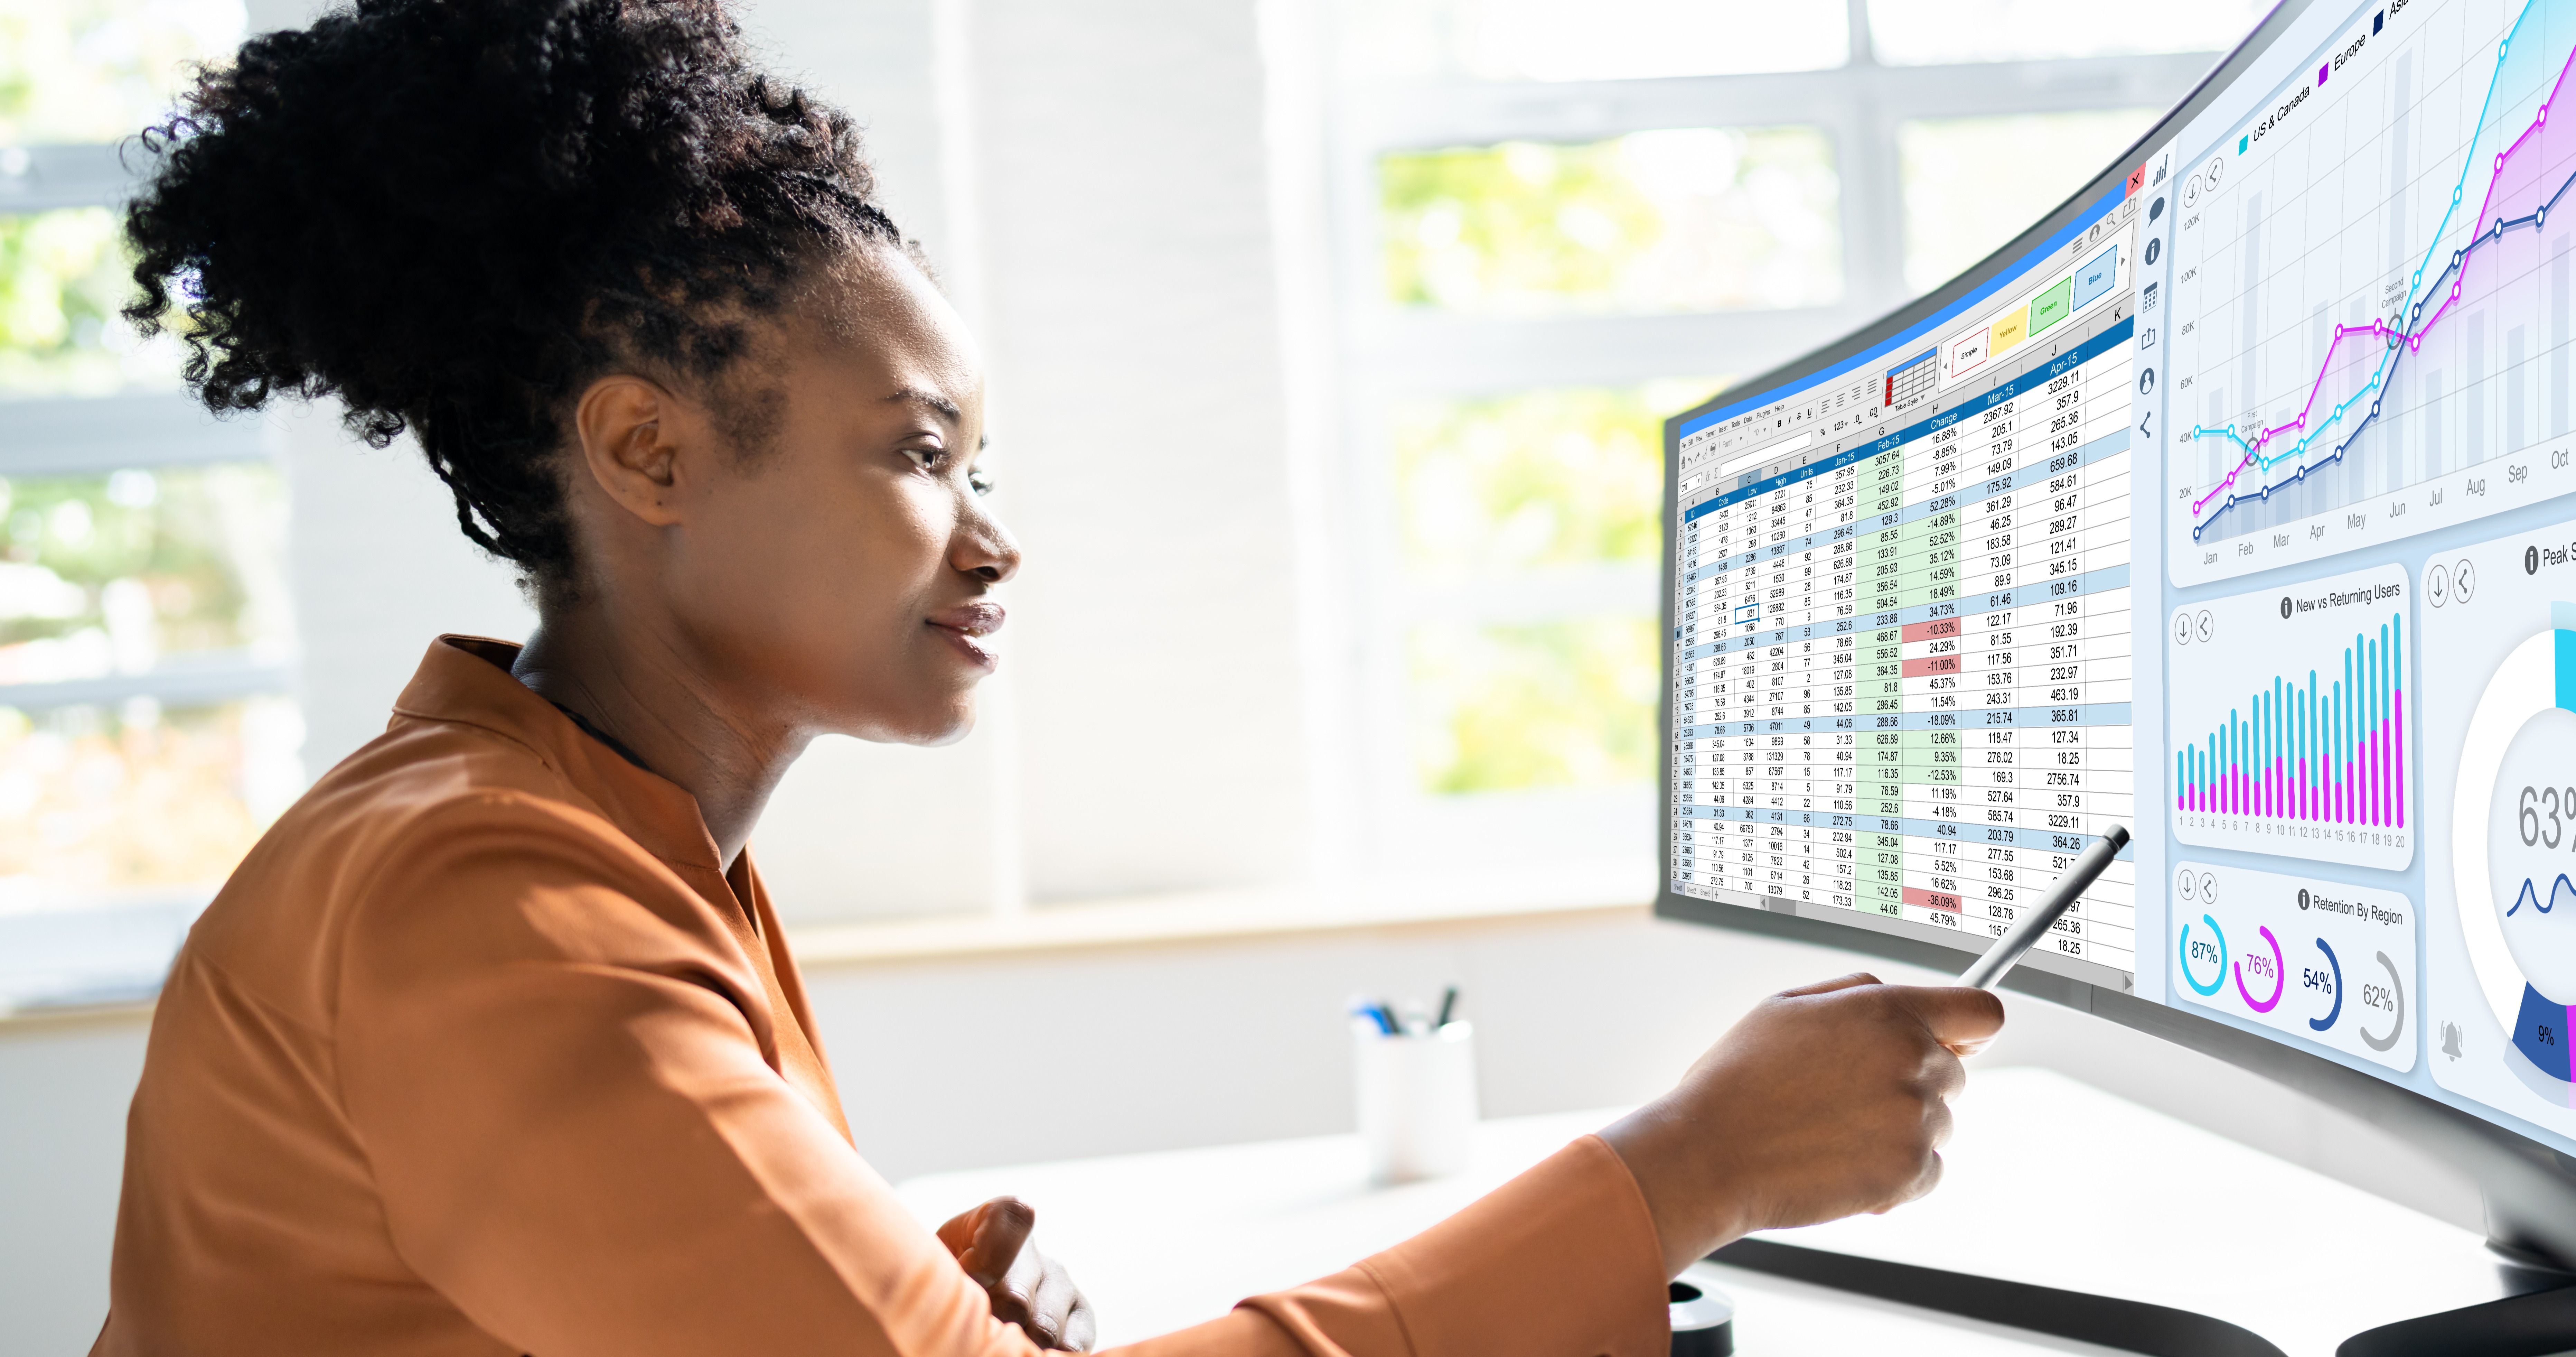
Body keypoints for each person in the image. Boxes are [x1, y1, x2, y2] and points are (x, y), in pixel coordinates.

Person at [92, 0, 2009, 1352]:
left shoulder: (586, 833)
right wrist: (1683, 1170)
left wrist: (891, 1295)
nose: (992, 537)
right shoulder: (493, 908)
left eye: (981, 465)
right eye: (921, 454)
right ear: (651, 456)